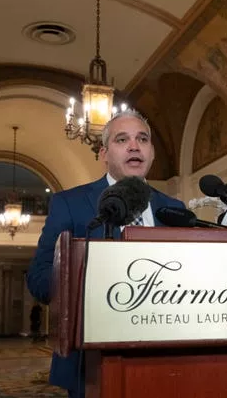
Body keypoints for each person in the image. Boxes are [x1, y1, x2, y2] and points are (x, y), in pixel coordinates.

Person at [26, 109, 185, 397]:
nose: (134, 146)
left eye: (143, 139)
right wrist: (85, 285)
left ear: (151, 154)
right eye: (122, 139)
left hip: (165, 358)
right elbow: (38, 278)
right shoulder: (69, 204)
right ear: (104, 154)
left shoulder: (174, 209)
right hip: (91, 365)